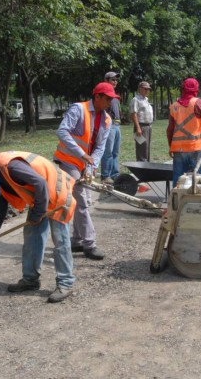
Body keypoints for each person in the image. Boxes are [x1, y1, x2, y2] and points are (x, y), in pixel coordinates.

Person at [0, 145, 77, 303]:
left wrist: (37, 214)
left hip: (57, 194)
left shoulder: (9, 166)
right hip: (41, 197)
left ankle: (65, 283)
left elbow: (41, 183)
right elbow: (1, 206)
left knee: (60, 240)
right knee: (31, 236)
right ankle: (30, 280)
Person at [54, 82, 118, 260]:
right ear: (97, 97)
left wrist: (92, 164)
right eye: (107, 99)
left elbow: (100, 147)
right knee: (82, 200)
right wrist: (82, 154)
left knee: (83, 201)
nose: (110, 102)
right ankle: (90, 244)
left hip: (84, 164)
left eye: (112, 99)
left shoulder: (107, 119)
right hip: (68, 161)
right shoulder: (78, 109)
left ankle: (76, 240)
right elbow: (62, 132)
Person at [167, 77, 201, 186]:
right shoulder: (199, 103)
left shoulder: (174, 106)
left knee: (178, 179)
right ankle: (196, 201)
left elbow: (170, 129)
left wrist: (171, 146)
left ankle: (176, 201)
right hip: (195, 148)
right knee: (197, 179)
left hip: (178, 149)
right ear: (196, 89)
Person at [100, 71, 122, 184]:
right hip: (109, 124)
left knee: (115, 152)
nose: (115, 81)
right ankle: (105, 176)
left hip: (117, 125)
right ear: (106, 80)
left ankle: (115, 174)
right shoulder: (104, 95)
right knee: (107, 152)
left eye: (116, 80)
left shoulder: (115, 95)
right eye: (112, 79)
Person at [129, 81, 154, 162]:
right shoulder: (135, 99)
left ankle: (147, 167)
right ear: (140, 89)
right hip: (141, 126)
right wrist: (138, 128)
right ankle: (142, 167)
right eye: (145, 89)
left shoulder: (146, 99)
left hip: (148, 126)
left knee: (146, 148)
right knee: (142, 149)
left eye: (148, 89)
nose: (147, 91)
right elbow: (133, 114)